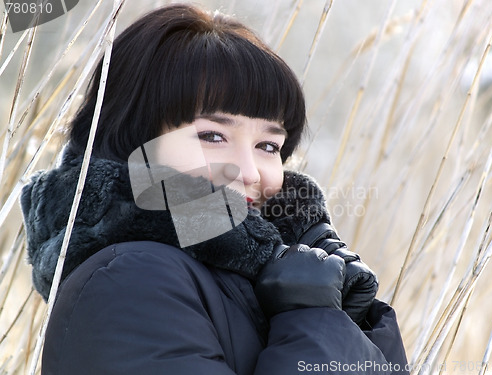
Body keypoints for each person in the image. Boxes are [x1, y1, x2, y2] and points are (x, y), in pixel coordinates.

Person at [20, 4, 409, 374]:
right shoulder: (127, 281)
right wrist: (314, 317)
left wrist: (353, 313)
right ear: (132, 144)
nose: (249, 172)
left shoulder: (271, 273)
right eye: (212, 136)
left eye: (268, 146)